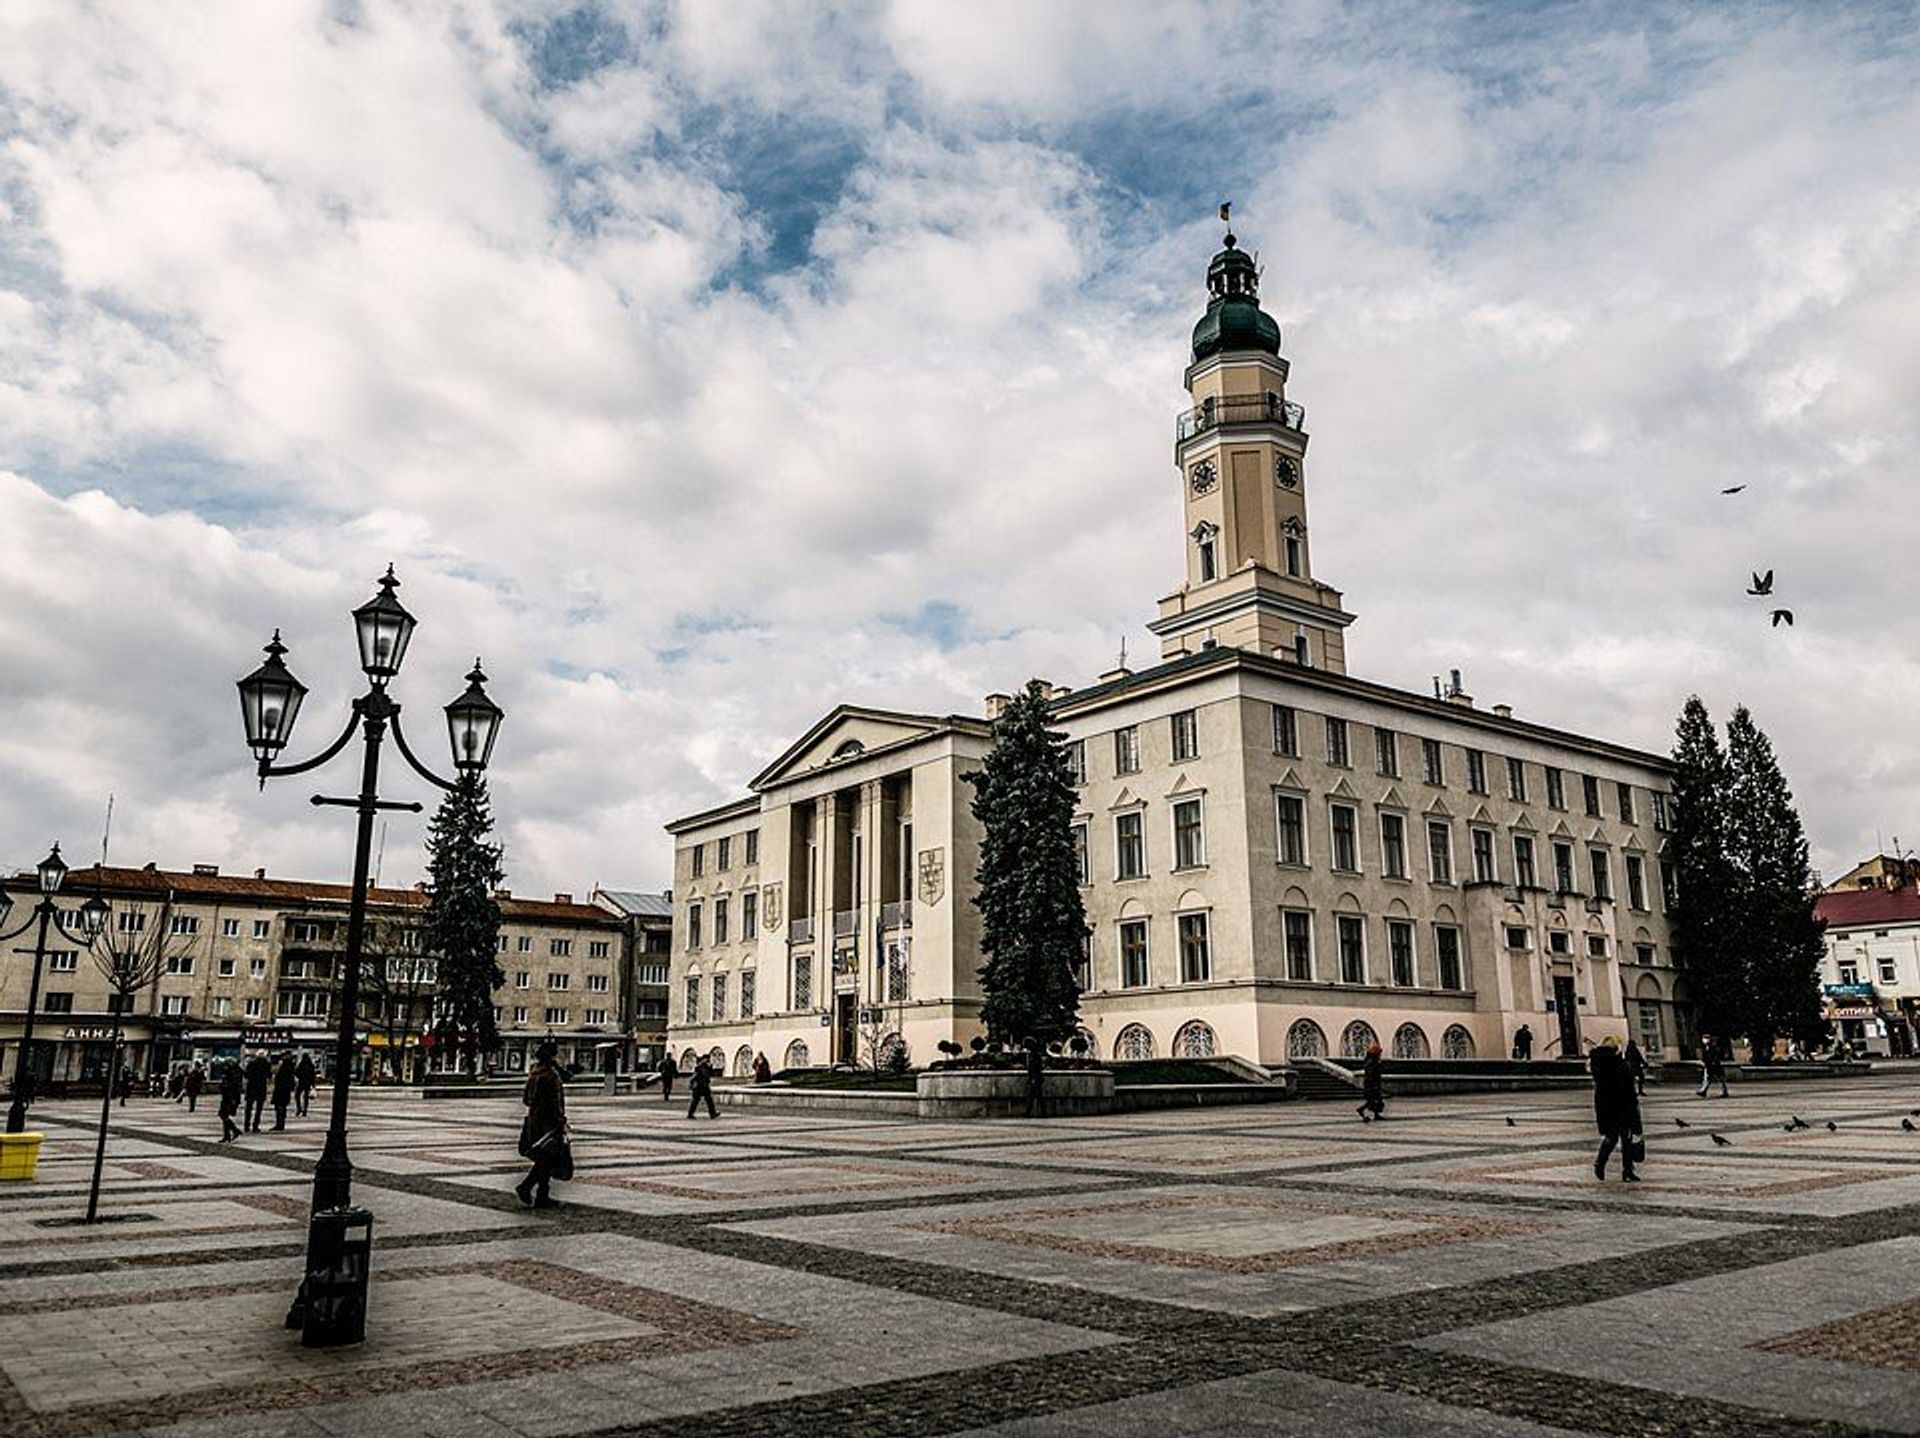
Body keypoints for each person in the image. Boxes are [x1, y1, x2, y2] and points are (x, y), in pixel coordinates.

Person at [515, 1039, 568, 1209]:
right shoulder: (551, 1076)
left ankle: (542, 1196)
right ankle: (526, 1187)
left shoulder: (534, 1074)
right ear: (551, 1056)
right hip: (549, 1123)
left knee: (544, 1158)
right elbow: (554, 1101)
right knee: (547, 1158)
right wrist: (560, 1119)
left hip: (534, 1120)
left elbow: (526, 1100)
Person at [1591, 1037, 1642, 1181]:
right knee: (1626, 1138)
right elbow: (1628, 1089)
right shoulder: (1619, 1063)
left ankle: (1601, 1164)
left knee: (1612, 1138)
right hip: (1623, 1106)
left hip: (1606, 1107)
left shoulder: (1598, 1063)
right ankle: (1626, 1169)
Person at [243, 1050, 271, 1132]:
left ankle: (246, 1125)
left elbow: (246, 1075)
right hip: (261, 1087)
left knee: (248, 1108)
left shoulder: (251, 1064)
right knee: (258, 1109)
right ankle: (255, 1125)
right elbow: (269, 1075)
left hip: (251, 1087)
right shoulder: (266, 1064)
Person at [1357, 1041, 1386, 1121]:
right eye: (1379, 1053)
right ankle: (1361, 1110)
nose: (1380, 1055)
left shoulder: (1374, 1061)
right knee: (1372, 1101)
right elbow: (1370, 1075)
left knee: (1376, 1101)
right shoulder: (1371, 1062)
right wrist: (1374, 1085)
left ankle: (1376, 1115)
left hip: (1373, 1084)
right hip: (1371, 1085)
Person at [217, 1061, 243, 1143]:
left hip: (231, 1097)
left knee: (223, 1115)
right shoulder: (232, 1073)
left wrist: (224, 1086)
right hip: (227, 1096)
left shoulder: (235, 1073)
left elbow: (234, 1086)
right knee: (224, 1115)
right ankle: (228, 1134)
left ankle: (233, 1131)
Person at [271, 1053, 297, 1131]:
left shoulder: (284, 1069)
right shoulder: (290, 1068)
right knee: (282, 1107)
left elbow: (279, 1080)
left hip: (281, 1090)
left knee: (279, 1107)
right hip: (285, 1091)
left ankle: (279, 1124)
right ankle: (280, 1123)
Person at [687, 1055, 718, 1119]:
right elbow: (705, 1075)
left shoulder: (702, 1066)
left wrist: (710, 1068)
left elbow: (708, 1074)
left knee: (705, 1100)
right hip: (701, 1086)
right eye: (707, 1059)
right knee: (703, 1100)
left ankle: (712, 1113)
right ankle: (712, 1113)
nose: (708, 1061)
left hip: (702, 1086)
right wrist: (709, 1068)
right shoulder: (701, 1067)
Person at [1024, 1038, 1046, 1118]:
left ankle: (1030, 1112)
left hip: (1036, 1078)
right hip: (1036, 1078)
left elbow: (1036, 1067)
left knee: (1035, 1096)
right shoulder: (1033, 1054)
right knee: (1035, 1096)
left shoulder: (1034, 1055)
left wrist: (1033, 1078)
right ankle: (1032, 1112)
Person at [294, 1052, 316, 1117]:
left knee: (297, 1095)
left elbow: (297, 1072)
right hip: (308, 1083)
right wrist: (313, 1084)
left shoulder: (301, 1064)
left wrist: (300, 1077)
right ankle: (305, 1110)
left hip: (301, 1082)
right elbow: (313, 1075)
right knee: (306, 1097)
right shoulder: (311, 1065)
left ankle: (299, 1108)